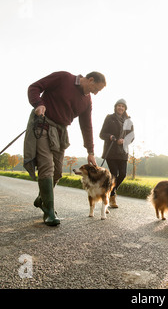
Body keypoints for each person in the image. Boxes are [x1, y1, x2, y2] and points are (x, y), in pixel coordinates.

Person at [24, 71, 106, 226]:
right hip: (43, 124)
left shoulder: (87, 101)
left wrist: (90, 151)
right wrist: (39, 103)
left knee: (57, 172)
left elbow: (86, 126)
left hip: (60, 132)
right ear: (90, 79)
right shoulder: (63, 78)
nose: (95, 93)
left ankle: (42, 200)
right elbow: (34, 87)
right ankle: (49, 212)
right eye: (96, 89)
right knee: (46, 166)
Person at [99, 98, 134, 208]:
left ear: (125, 109)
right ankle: (112, 197)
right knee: (114, 173)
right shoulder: (110, 118)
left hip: (123, 151)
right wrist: (110, 137)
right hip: (111, 151)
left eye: (122, 106)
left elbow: (132, 136)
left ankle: (109, 190)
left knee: (122, 174)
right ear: (115, 107)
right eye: (119, 106)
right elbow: (102, 134)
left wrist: (125, 141)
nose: (120, 108)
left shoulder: (128, 121)